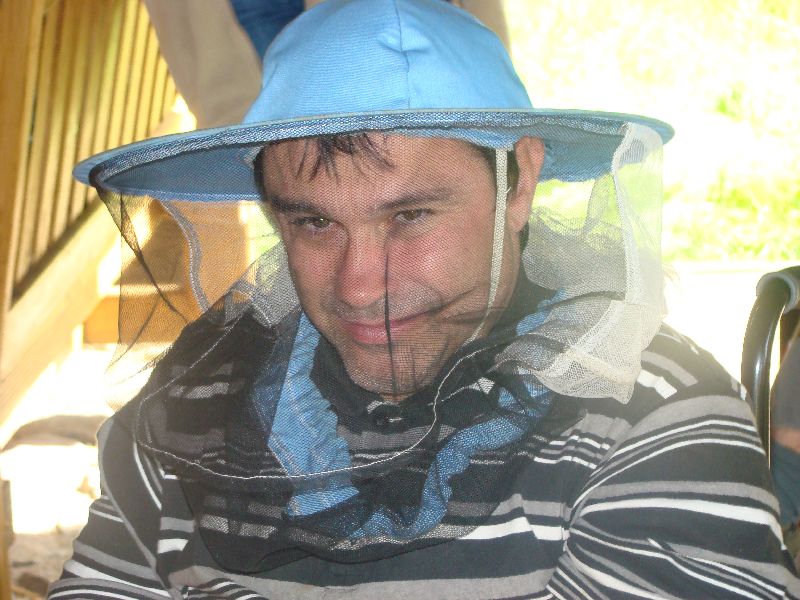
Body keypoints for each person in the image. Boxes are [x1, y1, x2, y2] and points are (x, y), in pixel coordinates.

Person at [49, 0, 799, 598]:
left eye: (410, 215)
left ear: (519, 183)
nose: (359, 286)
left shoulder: (651, 417)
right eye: (313, 223)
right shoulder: (193, 398)